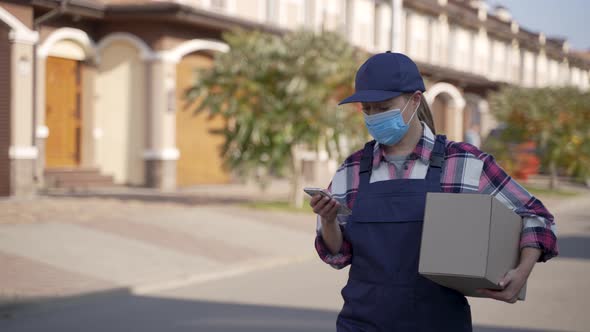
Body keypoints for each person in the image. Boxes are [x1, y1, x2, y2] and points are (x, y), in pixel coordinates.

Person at [309, 52, 558, 332]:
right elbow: (338, 255)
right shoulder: (352, 169)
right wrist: (329, 221)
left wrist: (522, 271)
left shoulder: (463, 163)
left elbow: (536, 216)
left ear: (415, 100)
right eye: (367, 109)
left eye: (382, 107)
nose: (373, 117)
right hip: (361, 324)